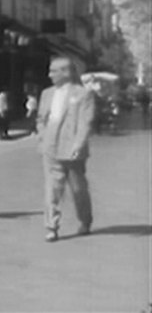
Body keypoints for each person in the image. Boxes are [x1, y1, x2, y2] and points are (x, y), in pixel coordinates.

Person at [36, 56, 95, 242]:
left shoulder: (83, 94)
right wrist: (42, 135)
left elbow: (86, 122)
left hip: (72, 148)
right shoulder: (46, 93)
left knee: (78, 189)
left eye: (54, 71)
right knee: (52, 189)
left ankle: (85, 221)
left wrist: (78, 144)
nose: (49, 74)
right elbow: (40, 119)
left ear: (66, 72)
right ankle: (51, 227)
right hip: (50, 146)